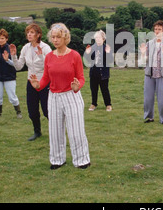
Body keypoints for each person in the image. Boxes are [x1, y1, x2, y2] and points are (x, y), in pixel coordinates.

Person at [29, 23, 90, 170]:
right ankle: (57, 160)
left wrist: (77, 86)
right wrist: (37, 85)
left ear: (65, 38)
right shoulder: (49, 57)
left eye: (58, 37)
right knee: (55, 130)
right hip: (54, 97)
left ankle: (82, 160)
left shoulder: (74, 55)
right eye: (53, 37)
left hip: (71, 96)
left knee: (76, 130)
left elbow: (81, 78)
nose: (55, 40)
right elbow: (45, 78)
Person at [11, 24, 52, 141]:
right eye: (28, 32)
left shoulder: (45, 48)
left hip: (44, 82)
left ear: (38, 34)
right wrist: (13, 56)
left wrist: (41, 57)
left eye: (32, 32)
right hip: (31, 83)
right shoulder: (25, 48)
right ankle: (37, 132)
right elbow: (18, 67)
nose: (29, 34)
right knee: (32, 111)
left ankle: (55, 132)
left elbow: (51, 66)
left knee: (47, 111)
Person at [139, 20, 163, 124]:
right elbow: (143, 62)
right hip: (149, 74)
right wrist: (143, 53)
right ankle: (149, 117)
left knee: (162, 100)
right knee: (148, 99)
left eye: (159, 29)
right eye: (155, 29)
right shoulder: (149, 44)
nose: (157, 31)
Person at [84, 30, 113, 112]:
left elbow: (110, 61)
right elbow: (87, 60)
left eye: (99, 37)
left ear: (103, 39)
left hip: (103, 73)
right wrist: (87, 53)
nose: (97, 39)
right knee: (93, 89)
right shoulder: (92, 48)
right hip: (94, 72)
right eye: (96, 38)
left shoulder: (106, 48)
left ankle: (108, 105)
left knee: (104, 89)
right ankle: (93, 104)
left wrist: (108, 53)